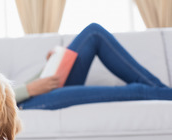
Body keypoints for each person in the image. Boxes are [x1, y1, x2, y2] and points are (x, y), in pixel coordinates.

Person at [15, 23, 172, 110]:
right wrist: (29, 90)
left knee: (93, 33)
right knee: (137, 90)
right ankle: (165, 94)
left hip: (33, 91)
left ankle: (164, 93)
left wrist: (49, 67)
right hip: (24, 105)